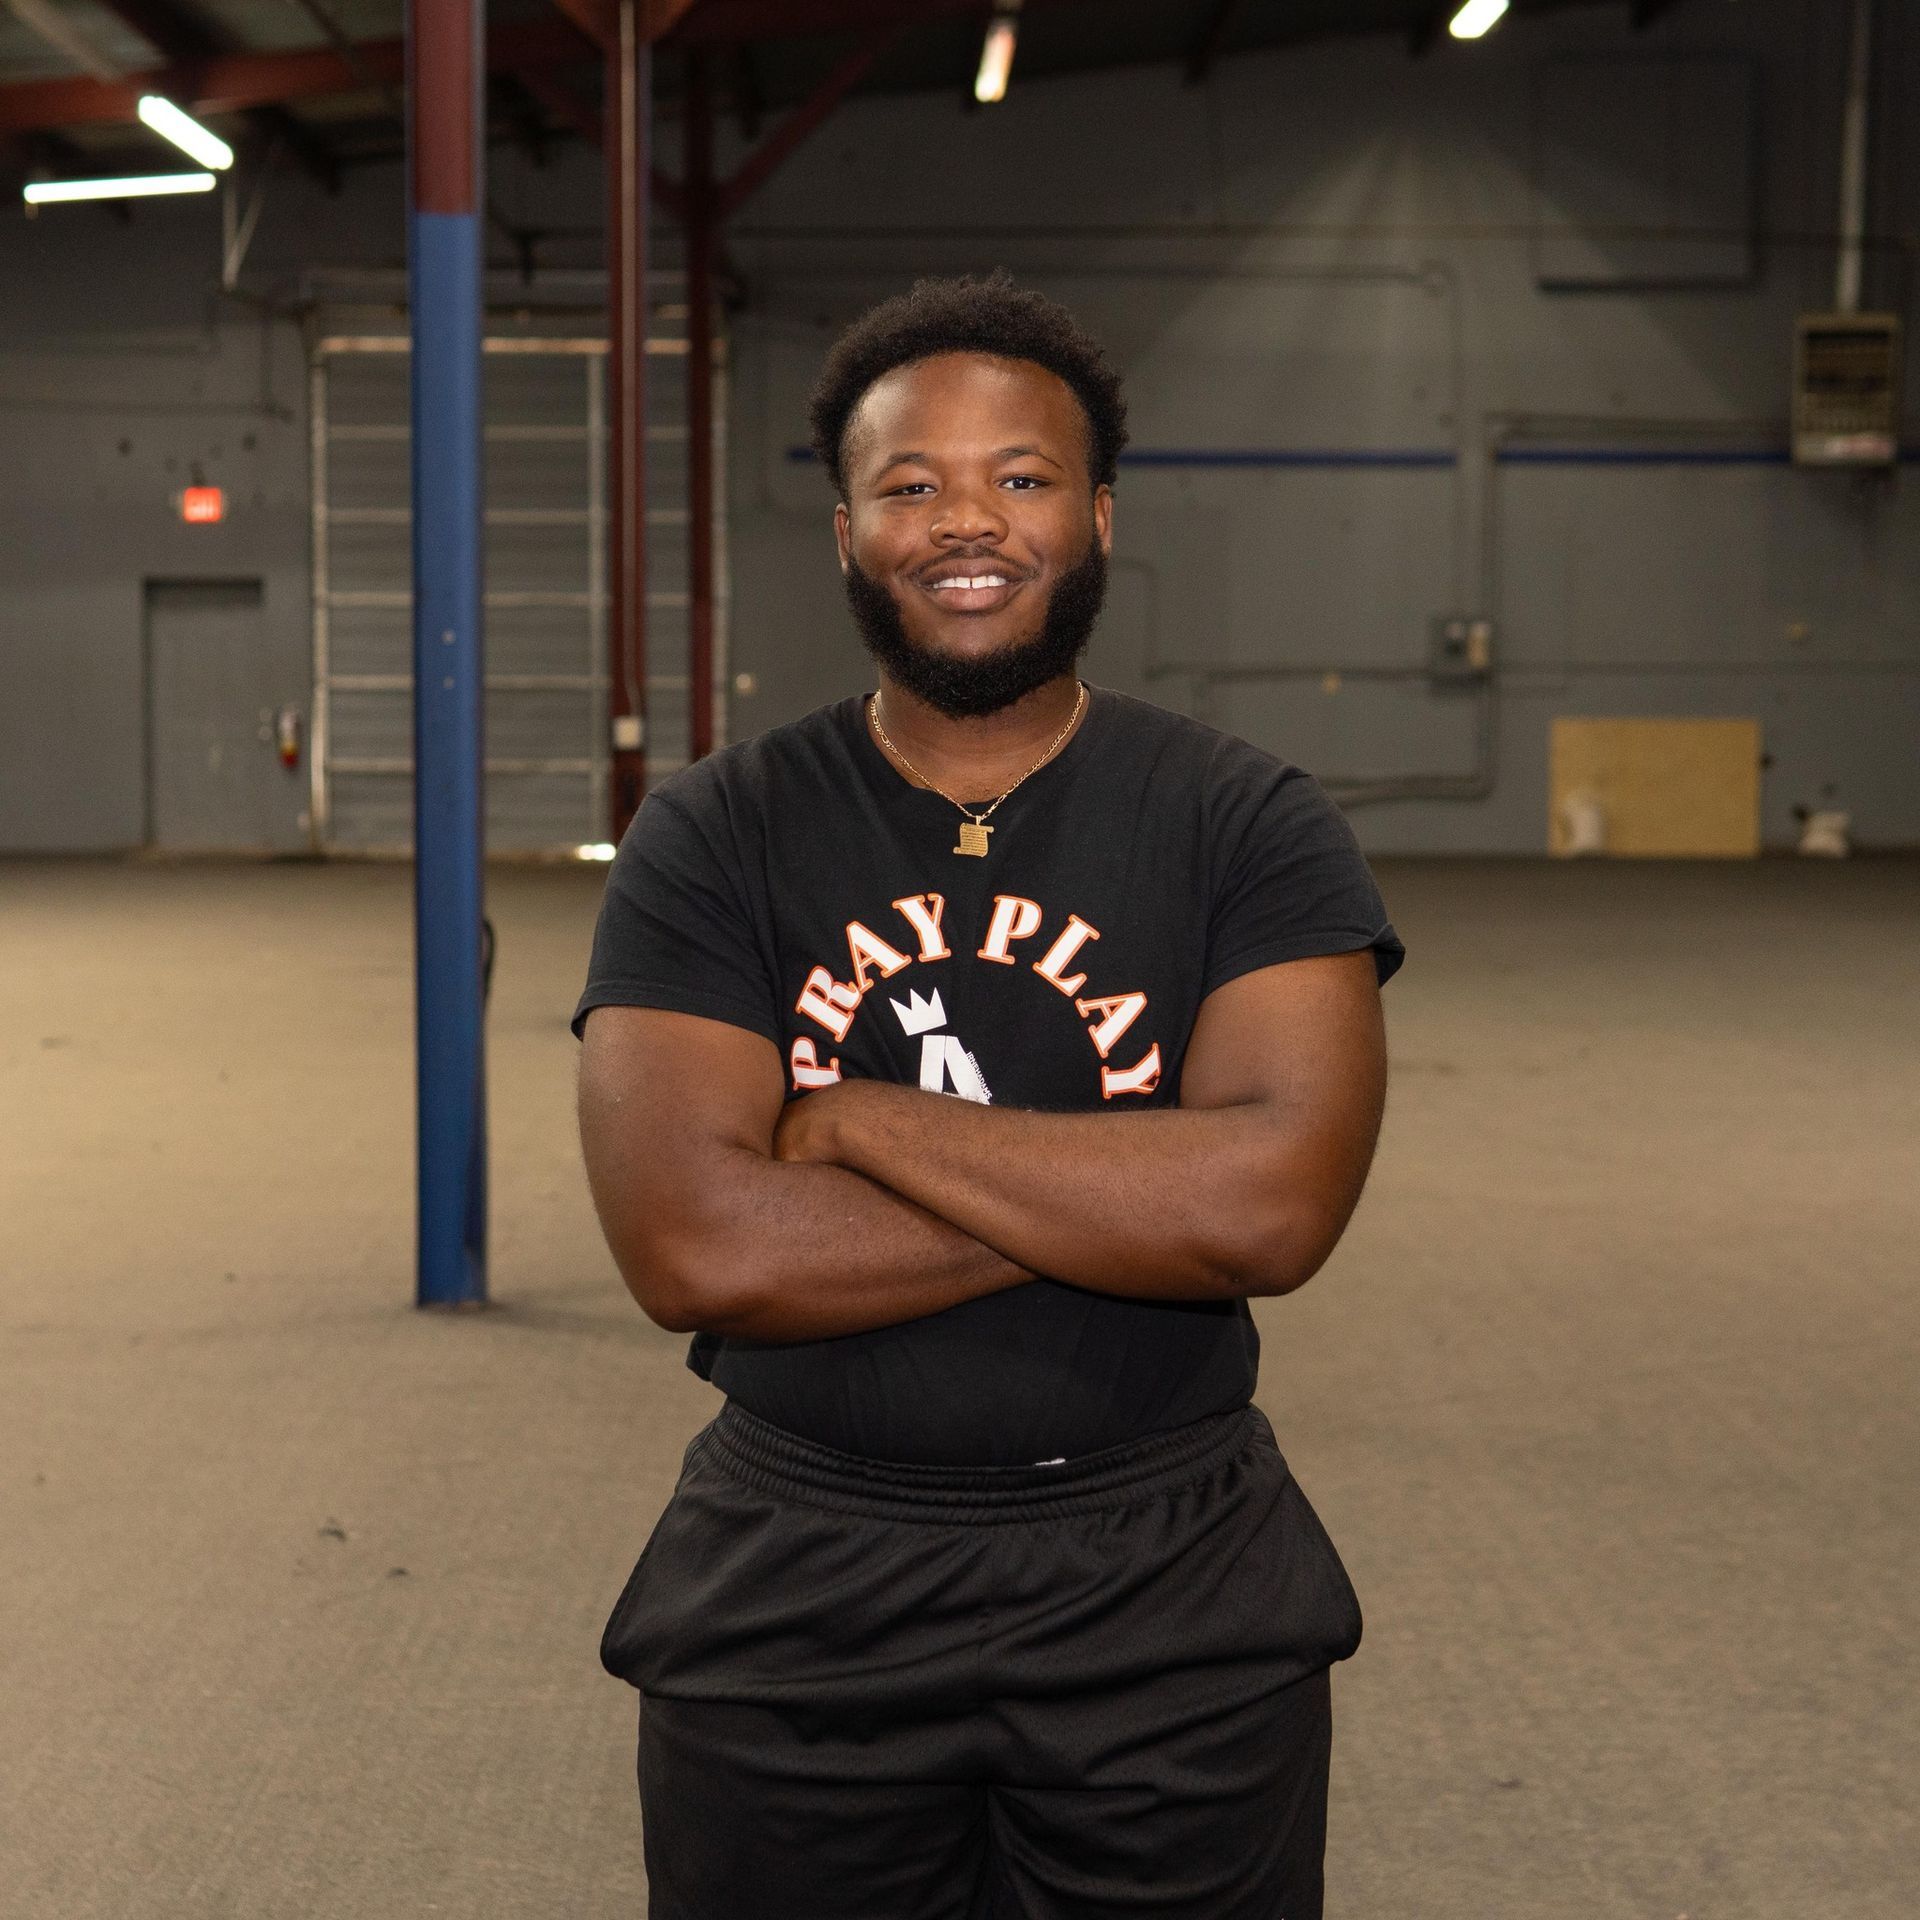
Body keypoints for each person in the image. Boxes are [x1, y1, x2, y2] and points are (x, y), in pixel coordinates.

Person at [574, 272, 1404, 1920]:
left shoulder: (1250, 822)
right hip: (794, 1578)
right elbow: (697, 1248)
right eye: (911, 484)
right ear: (846, 530)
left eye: (1022, 478)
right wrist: (1141, 1181)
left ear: (1095, 514)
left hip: (1170, 1576)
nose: (971, 522)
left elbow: (1271, 1208)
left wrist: (861, 1121)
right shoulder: (716, 831)